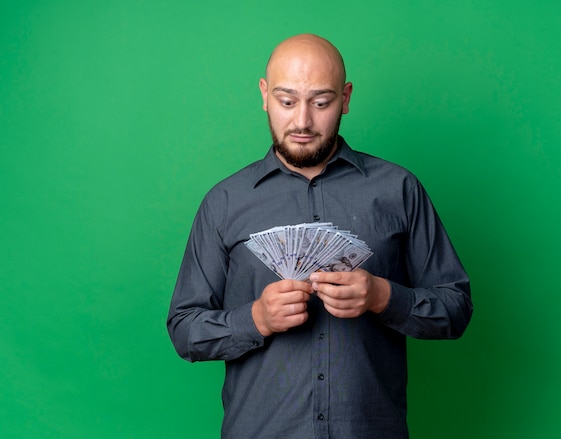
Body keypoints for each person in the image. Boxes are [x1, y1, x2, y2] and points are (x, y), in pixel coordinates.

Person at [167, 33, 473, 439]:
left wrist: (383, 296)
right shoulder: (224, 202)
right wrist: (255, 319)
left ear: (345, 98)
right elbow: (185, 329)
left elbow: (456, 307)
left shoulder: (398, 190)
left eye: (322, 102)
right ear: (264, 95)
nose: (302, 122)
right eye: (287, 101)